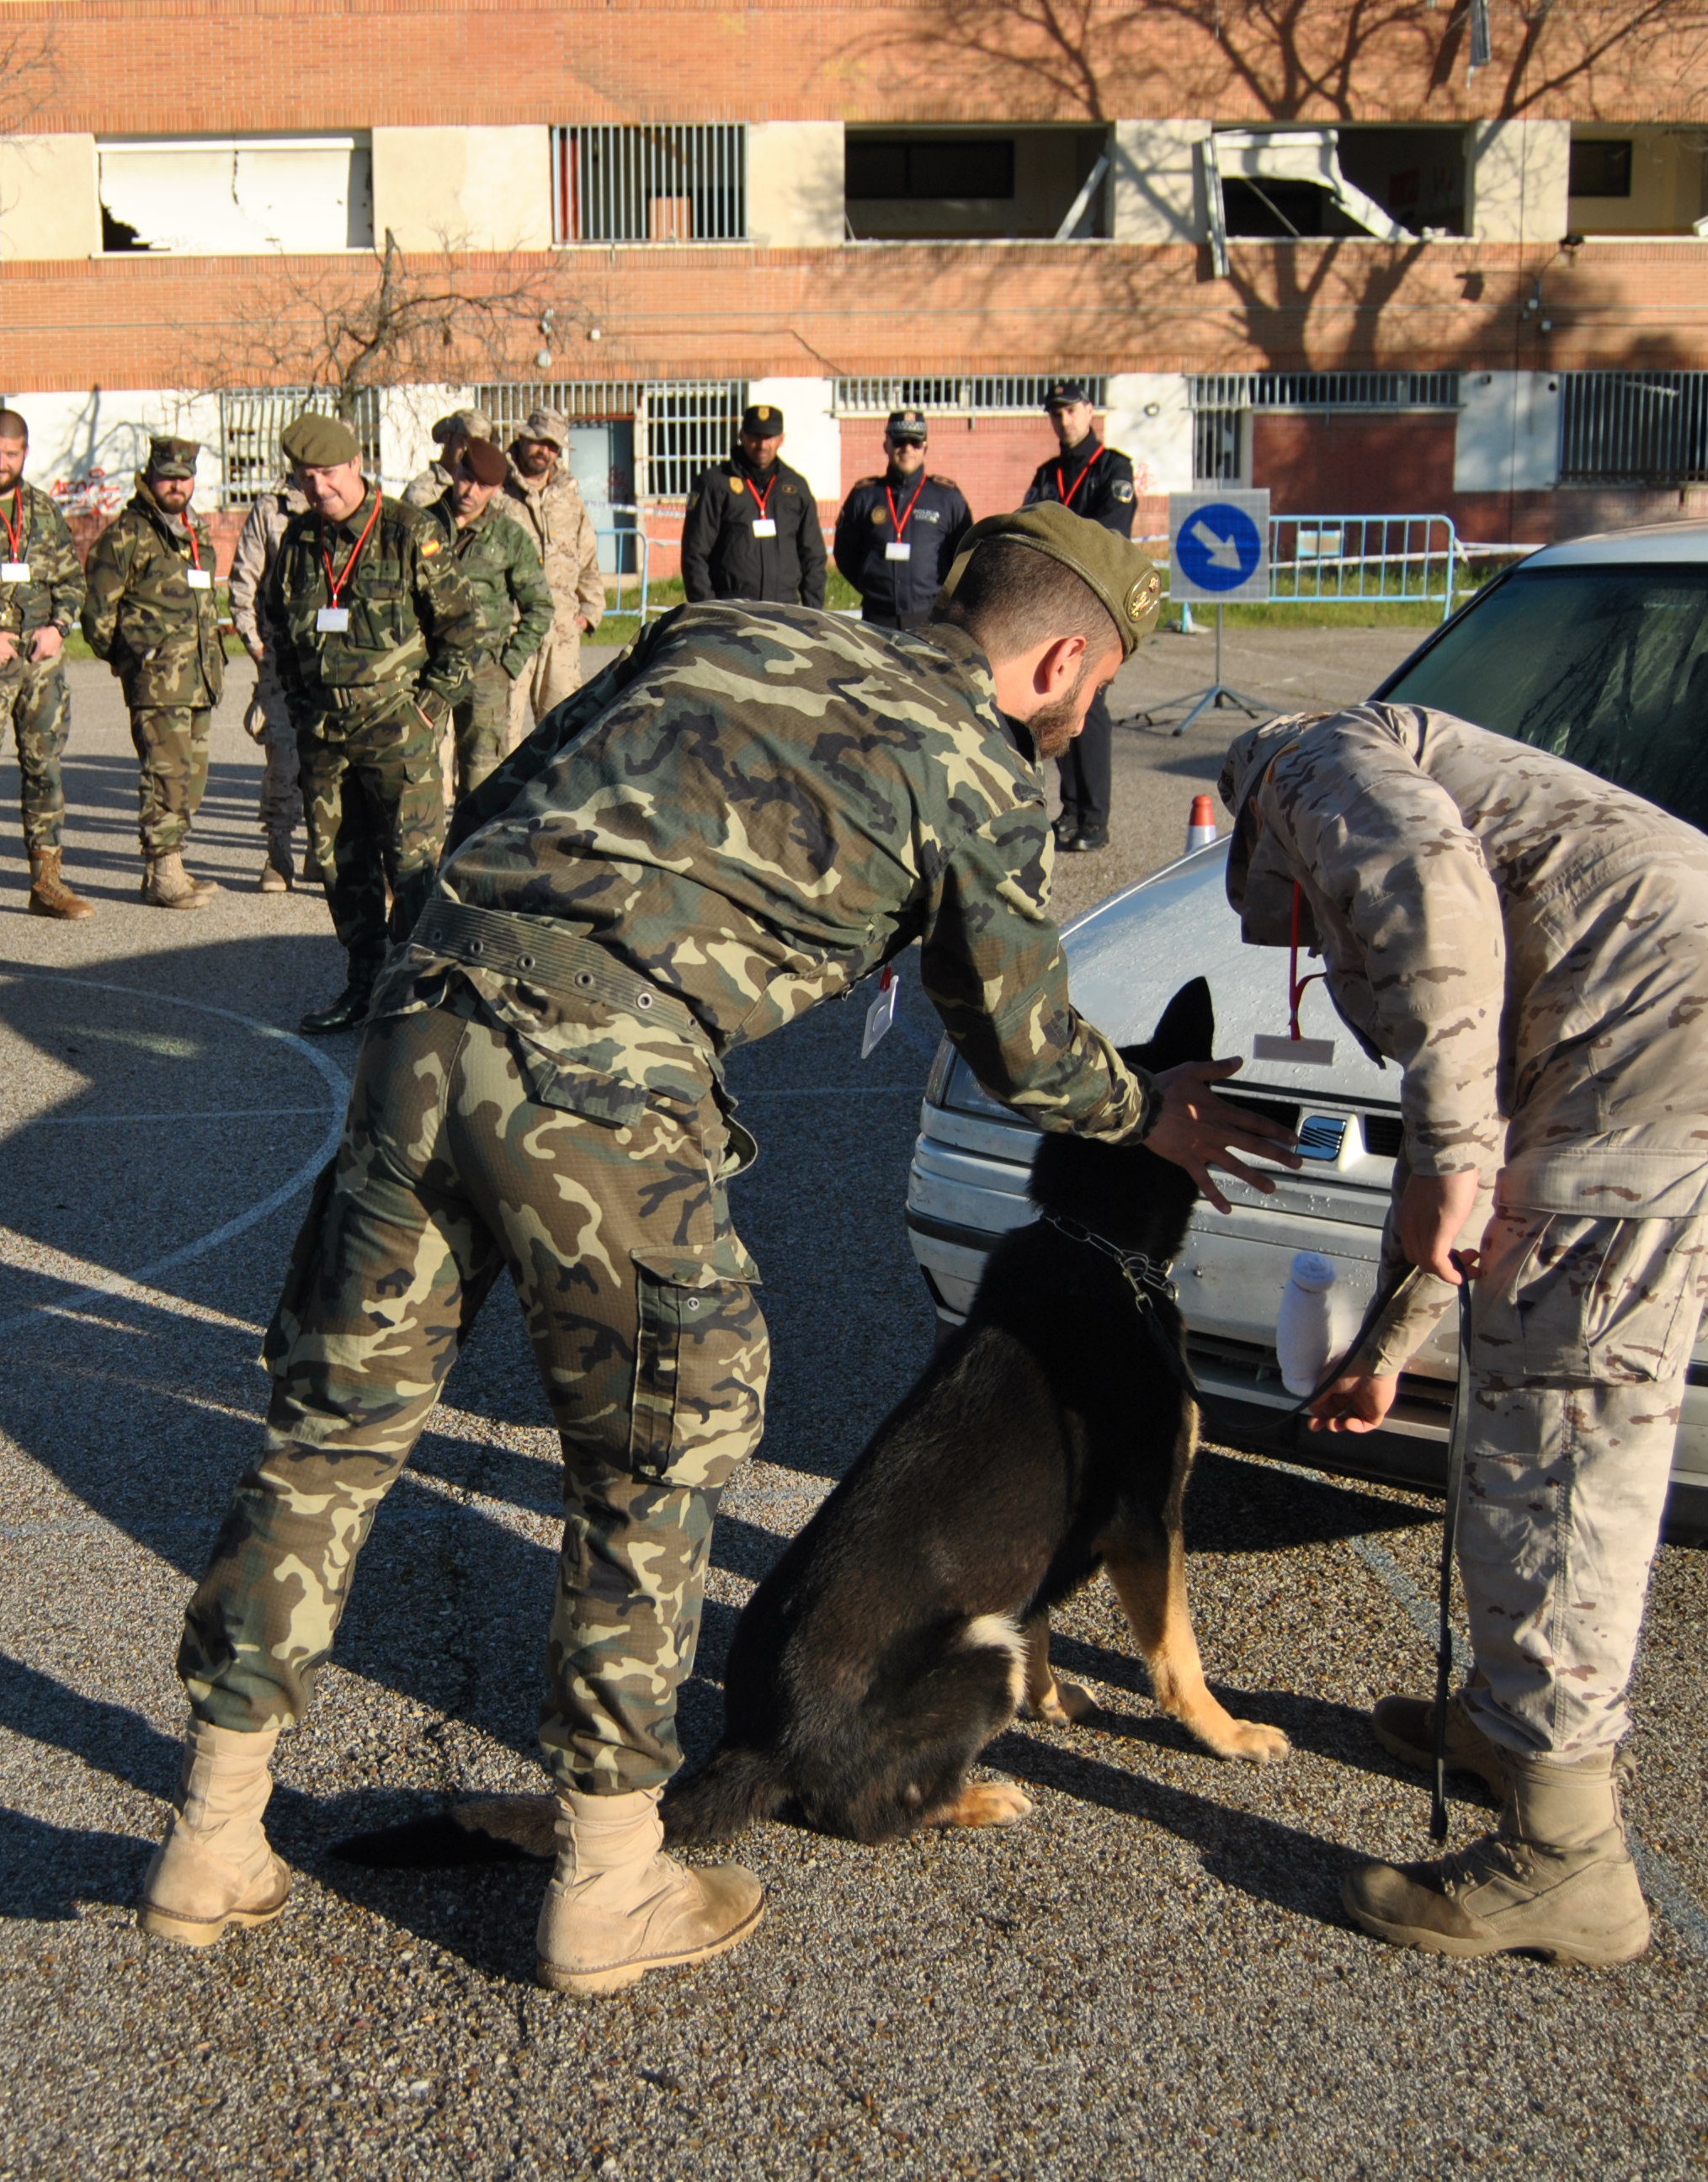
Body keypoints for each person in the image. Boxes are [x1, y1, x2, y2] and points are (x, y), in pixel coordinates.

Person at [143, 508, 1297, 1993]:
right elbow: (1022, 1042)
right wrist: (1148, 1113)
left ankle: (211, 1832)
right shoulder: (976, 769)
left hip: (426, 1018)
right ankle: (611, 1883)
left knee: (328, 1433)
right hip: (605, 1075)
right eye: (1102, 683)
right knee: (651, 1457)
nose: (1089, 710)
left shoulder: (716, 628)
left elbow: (492, 803)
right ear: (1065, 659)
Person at [1221, 703, 1708, 1966]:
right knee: (1559, 1389)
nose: (1299, 940)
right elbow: (1481, 1193)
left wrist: (1444, 1151)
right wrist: (1387, 1347)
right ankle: (1503, 1726)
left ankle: (1564, 1858)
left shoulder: (1305, 759)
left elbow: (1423, 887)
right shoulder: (1458, 768)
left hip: (1656, 1063)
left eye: (1290, 921)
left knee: (1563, 1449)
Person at [261, 411, 476, 1035]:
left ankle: (416, 995)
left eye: (328, 473)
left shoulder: (409, 532)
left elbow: (463, 632)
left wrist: (426, 709)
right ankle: (362, 983)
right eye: (305, 477)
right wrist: (301, 706)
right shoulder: (300, 541)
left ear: (356, 464)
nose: (318, 486)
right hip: (324, 738)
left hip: (397, 731)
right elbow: (279, 627)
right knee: (340, 864)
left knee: (411, 865)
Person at [0, 409, 94, 929]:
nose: (0, 462)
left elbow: (72, 580)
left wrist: (60, 626)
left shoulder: (43, 509)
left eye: (10, 454)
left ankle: (46, 882)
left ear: (25, 453)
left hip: (41, 663)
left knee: (45, 770)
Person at [79, 436, 234, 910]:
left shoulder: (195, 533)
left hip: (199, 678)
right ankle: (165, 871)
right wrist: (132, 660)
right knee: (165, 776)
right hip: (158, 681)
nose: (176, 486)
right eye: (167, 477)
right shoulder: (128, 535)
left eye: (184, 478)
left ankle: (167, 866)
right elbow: (96, 614)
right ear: (149, 477)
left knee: (191, 778)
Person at [1020, 383, 1137, 854]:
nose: (1063, 420)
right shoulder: (1048, 474)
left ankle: (1094, 817)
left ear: (1089, 411)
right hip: (1053, 604)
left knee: (1091, 707)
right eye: (1056, 413)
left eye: (1070, 410)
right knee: (1058, 703)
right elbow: (1029, 524)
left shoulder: (1113, 468)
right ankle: (1070, 809)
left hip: (1094, 605)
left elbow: (1109, 532)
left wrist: (1059, 538)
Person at [437, 439, 553, 796]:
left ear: (497, 489)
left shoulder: (509, 536)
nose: (470, 491)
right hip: (427, 668)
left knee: (482, 777)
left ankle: (471, 835)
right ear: (456, 469)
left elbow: (540, 606)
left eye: (483, 486)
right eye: (466, 478)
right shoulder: (421, 525)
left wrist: (508, 665)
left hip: (485, 671)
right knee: (420, 773)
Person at [227, 471, 311, 895]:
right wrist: (258, 648)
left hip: (339, 657)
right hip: (281, 658)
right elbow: (243, 584)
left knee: (338, 758)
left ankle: (326, 850)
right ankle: (279, 852)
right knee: (283, 758)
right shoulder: (271, 508)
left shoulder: (352, 502)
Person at [833, 407, 974, 634]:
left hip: (929, 616)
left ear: (925, 447)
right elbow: (845, 552)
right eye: (899, 441)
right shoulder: (864, 496)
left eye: (915, 442)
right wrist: (872, 586)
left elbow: (965, 555)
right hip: (877, 617)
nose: (907, 448)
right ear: (886, 445)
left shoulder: (947, 498)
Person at [506, 407, 604, 732]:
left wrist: (589, 611)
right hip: (511, 630)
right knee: (501, 732)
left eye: (552, 446)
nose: (544, 451)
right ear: (522, 439)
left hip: (561, 629)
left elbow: (587, 558)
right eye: (539, 442)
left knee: (562, 730)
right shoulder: (497, 492)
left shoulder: (568, 496)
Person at [678, 402, 825, 609]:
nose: (762, 445)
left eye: (769, 437)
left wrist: (812, 613)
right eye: (755, 436)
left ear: (781, 439)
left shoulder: (795, 488)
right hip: (733, 610)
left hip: (785, 610)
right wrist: (711, 611)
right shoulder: (714, 484)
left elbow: (813, 556)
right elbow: (695, 554)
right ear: (742, 436)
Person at [402, 407, 492, 514]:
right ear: (447, 438)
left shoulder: (488, 488)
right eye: (464, 443)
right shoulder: (424, 490)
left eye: (479, 447)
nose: (470, 453)